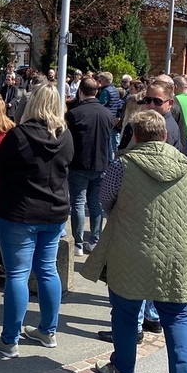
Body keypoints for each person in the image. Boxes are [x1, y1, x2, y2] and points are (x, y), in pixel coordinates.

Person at [85, 110, 187, 373]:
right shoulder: (186, 166)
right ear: (164, 135)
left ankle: (123, 367)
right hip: (176, 254)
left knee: (125, 312)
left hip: (130, 250)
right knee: (178, 319)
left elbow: (105, 201)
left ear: (135, 136)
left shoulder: (122, 165)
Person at [0, 84, 74, 358]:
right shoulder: (65, 135)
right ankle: (48, 331)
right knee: (47, 270)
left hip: (19, 212)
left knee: (17, 275)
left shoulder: (19, 135)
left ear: (33, 103)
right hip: (54, 210)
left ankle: (10, 340)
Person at [65, 76, 114, 256]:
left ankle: (78, 244)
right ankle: (95, 240)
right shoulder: (107, 114)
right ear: (97, 91)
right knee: (94, 203)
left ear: (80, 91)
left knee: (78, 204)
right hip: (100, 163)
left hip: (79, 163)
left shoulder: (74, 114)